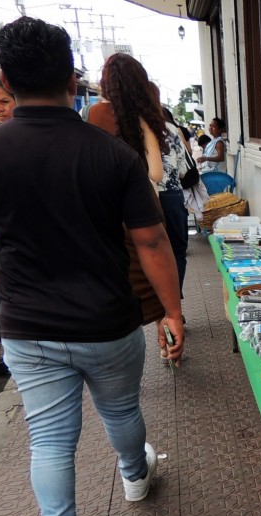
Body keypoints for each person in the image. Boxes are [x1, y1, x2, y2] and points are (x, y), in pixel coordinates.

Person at [0, 17, 184, 516]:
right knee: (122, 412)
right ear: (72, 78)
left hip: (28, 325)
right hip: (108, 319)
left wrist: (2, 278)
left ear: (6, 77)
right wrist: (173, 312)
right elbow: (151, 240)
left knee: (50, 439)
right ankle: (135, 477)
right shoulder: (110, 155)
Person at [87, 53, 169, 324]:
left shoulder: (93, 115)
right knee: (154, 277)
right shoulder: (145, 117)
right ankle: (167, 336)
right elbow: (156, 173)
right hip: (145, 207)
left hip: (103, 212)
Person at [158, 106, 192, 298]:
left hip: (137, 195)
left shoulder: (125, 125)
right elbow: (183, 170)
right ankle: (173, 306)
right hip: (170, 195)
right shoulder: (169, 129)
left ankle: (159, 308)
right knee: (177, 251)